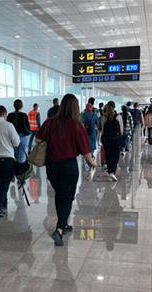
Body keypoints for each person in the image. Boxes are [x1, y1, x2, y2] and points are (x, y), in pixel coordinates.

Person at [36, 94, 96, 247]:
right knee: (68, 197)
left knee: (60, 195)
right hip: (68, 166)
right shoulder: (76, 125)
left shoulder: (50, 122)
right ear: (75, 108)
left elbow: (38, 139)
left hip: (52, 166)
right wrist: (92, 163)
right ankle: (60, 228)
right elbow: (85, 151)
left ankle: (63, 225)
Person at [101, 102, 122, 182]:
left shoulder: (103, 117)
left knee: (108, 155)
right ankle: (112, 171)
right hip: (116, 139)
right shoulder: (118, 116)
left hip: (106, 139)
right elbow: (121, 130)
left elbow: (101, 129)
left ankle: (110, 171)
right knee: (116, 155)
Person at [7, 99, 31, 164]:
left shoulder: (9, 115)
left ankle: (15, 171)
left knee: (14, 156)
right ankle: (20, 172)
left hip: (12, 138)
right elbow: (28, 128)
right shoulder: (24, 115)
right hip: (22, 137)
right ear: (21, 106)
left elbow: (7, 127)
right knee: (21, 158)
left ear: (13, 106)